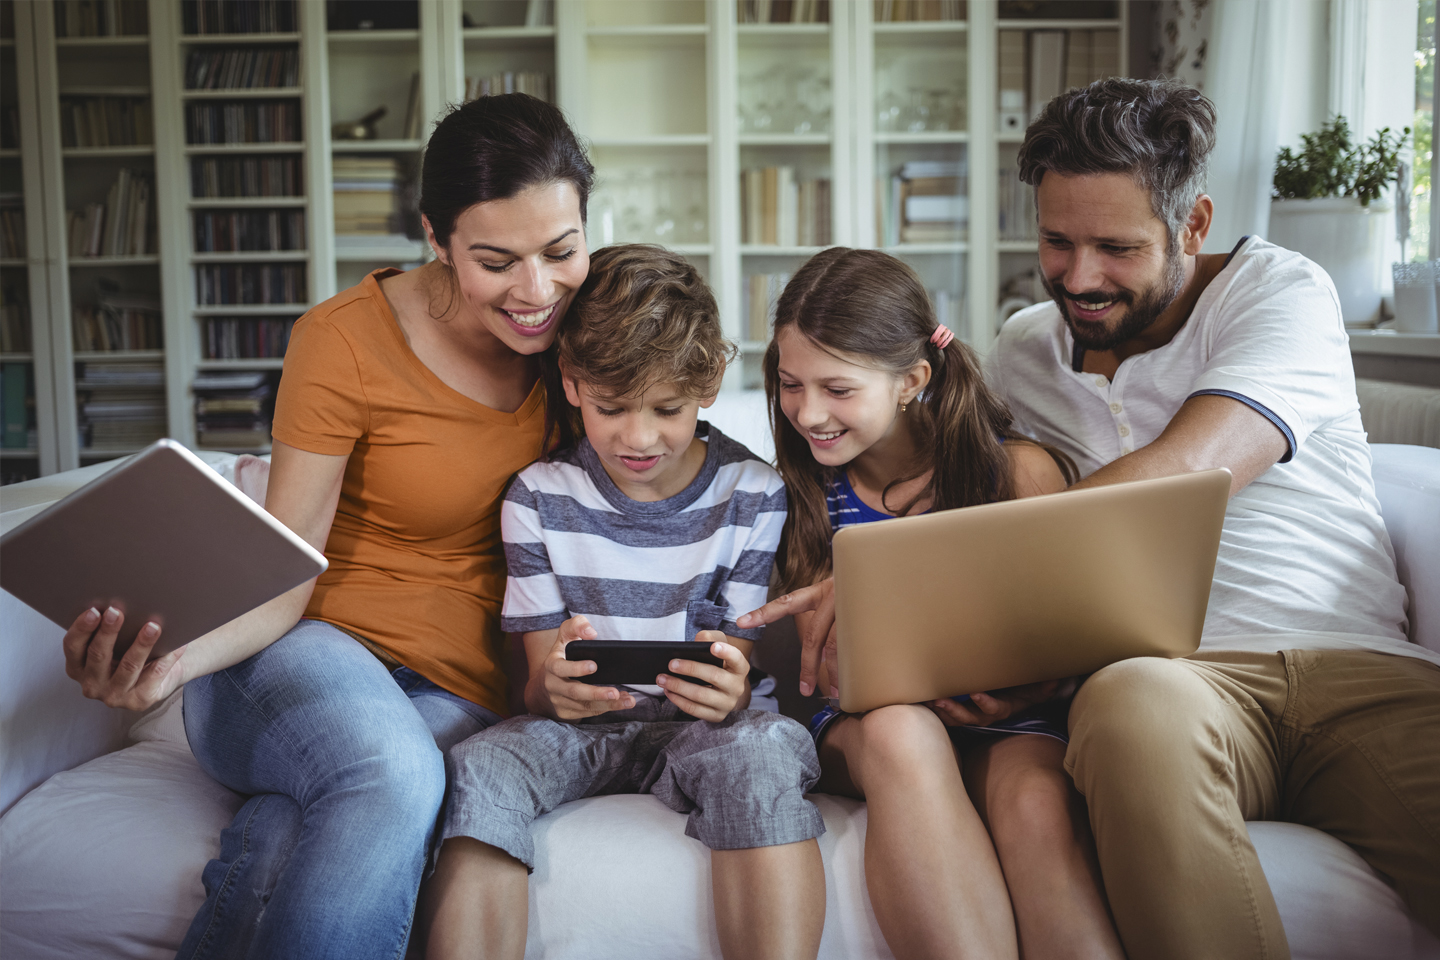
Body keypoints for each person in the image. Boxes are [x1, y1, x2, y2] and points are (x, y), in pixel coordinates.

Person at [56, 93, 595, 959]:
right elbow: (284, 568)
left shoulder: (584, 335)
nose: (537, 292)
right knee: (390, 774)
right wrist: (170, 669)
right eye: (497, 262)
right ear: (435, 237)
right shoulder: (341, 340)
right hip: (294, 654)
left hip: (458, 690)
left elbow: (679, 439)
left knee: (283, 832)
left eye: (561, 251)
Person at [984, 78, 1440, 960]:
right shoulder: (1019, 352)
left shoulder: (1280, 291)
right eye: (1055, 241)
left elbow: (1191, 472)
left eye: (1116, 247)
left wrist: (983, 574)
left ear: (1192, 226)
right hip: (1175, 684)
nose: (1079, 278)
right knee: (1127, 700)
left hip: (1358, 669)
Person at [420, 244, 827, 960]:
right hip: (582, 735)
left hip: (709, 731)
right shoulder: (538, 498)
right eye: (611, 408)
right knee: (482, 764)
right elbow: (540, 688)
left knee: (764, 751)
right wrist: (555, 690)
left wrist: (728, 684)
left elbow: (737, 665)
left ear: (708, 383)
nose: (638, 438)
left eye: (666, 409)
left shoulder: (754, 494)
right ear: (572, 384)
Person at [736, 247, 1125, 960]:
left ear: (913, 379)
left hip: (1005, 721)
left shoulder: (1016, 472)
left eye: (837, 389)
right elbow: (811, 672)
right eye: (791, 385)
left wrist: (1026, 689)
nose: (809, 413)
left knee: (1037, 805)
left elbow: (1078, 633)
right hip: (867, 727)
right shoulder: (794, 498)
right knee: (899, 731)